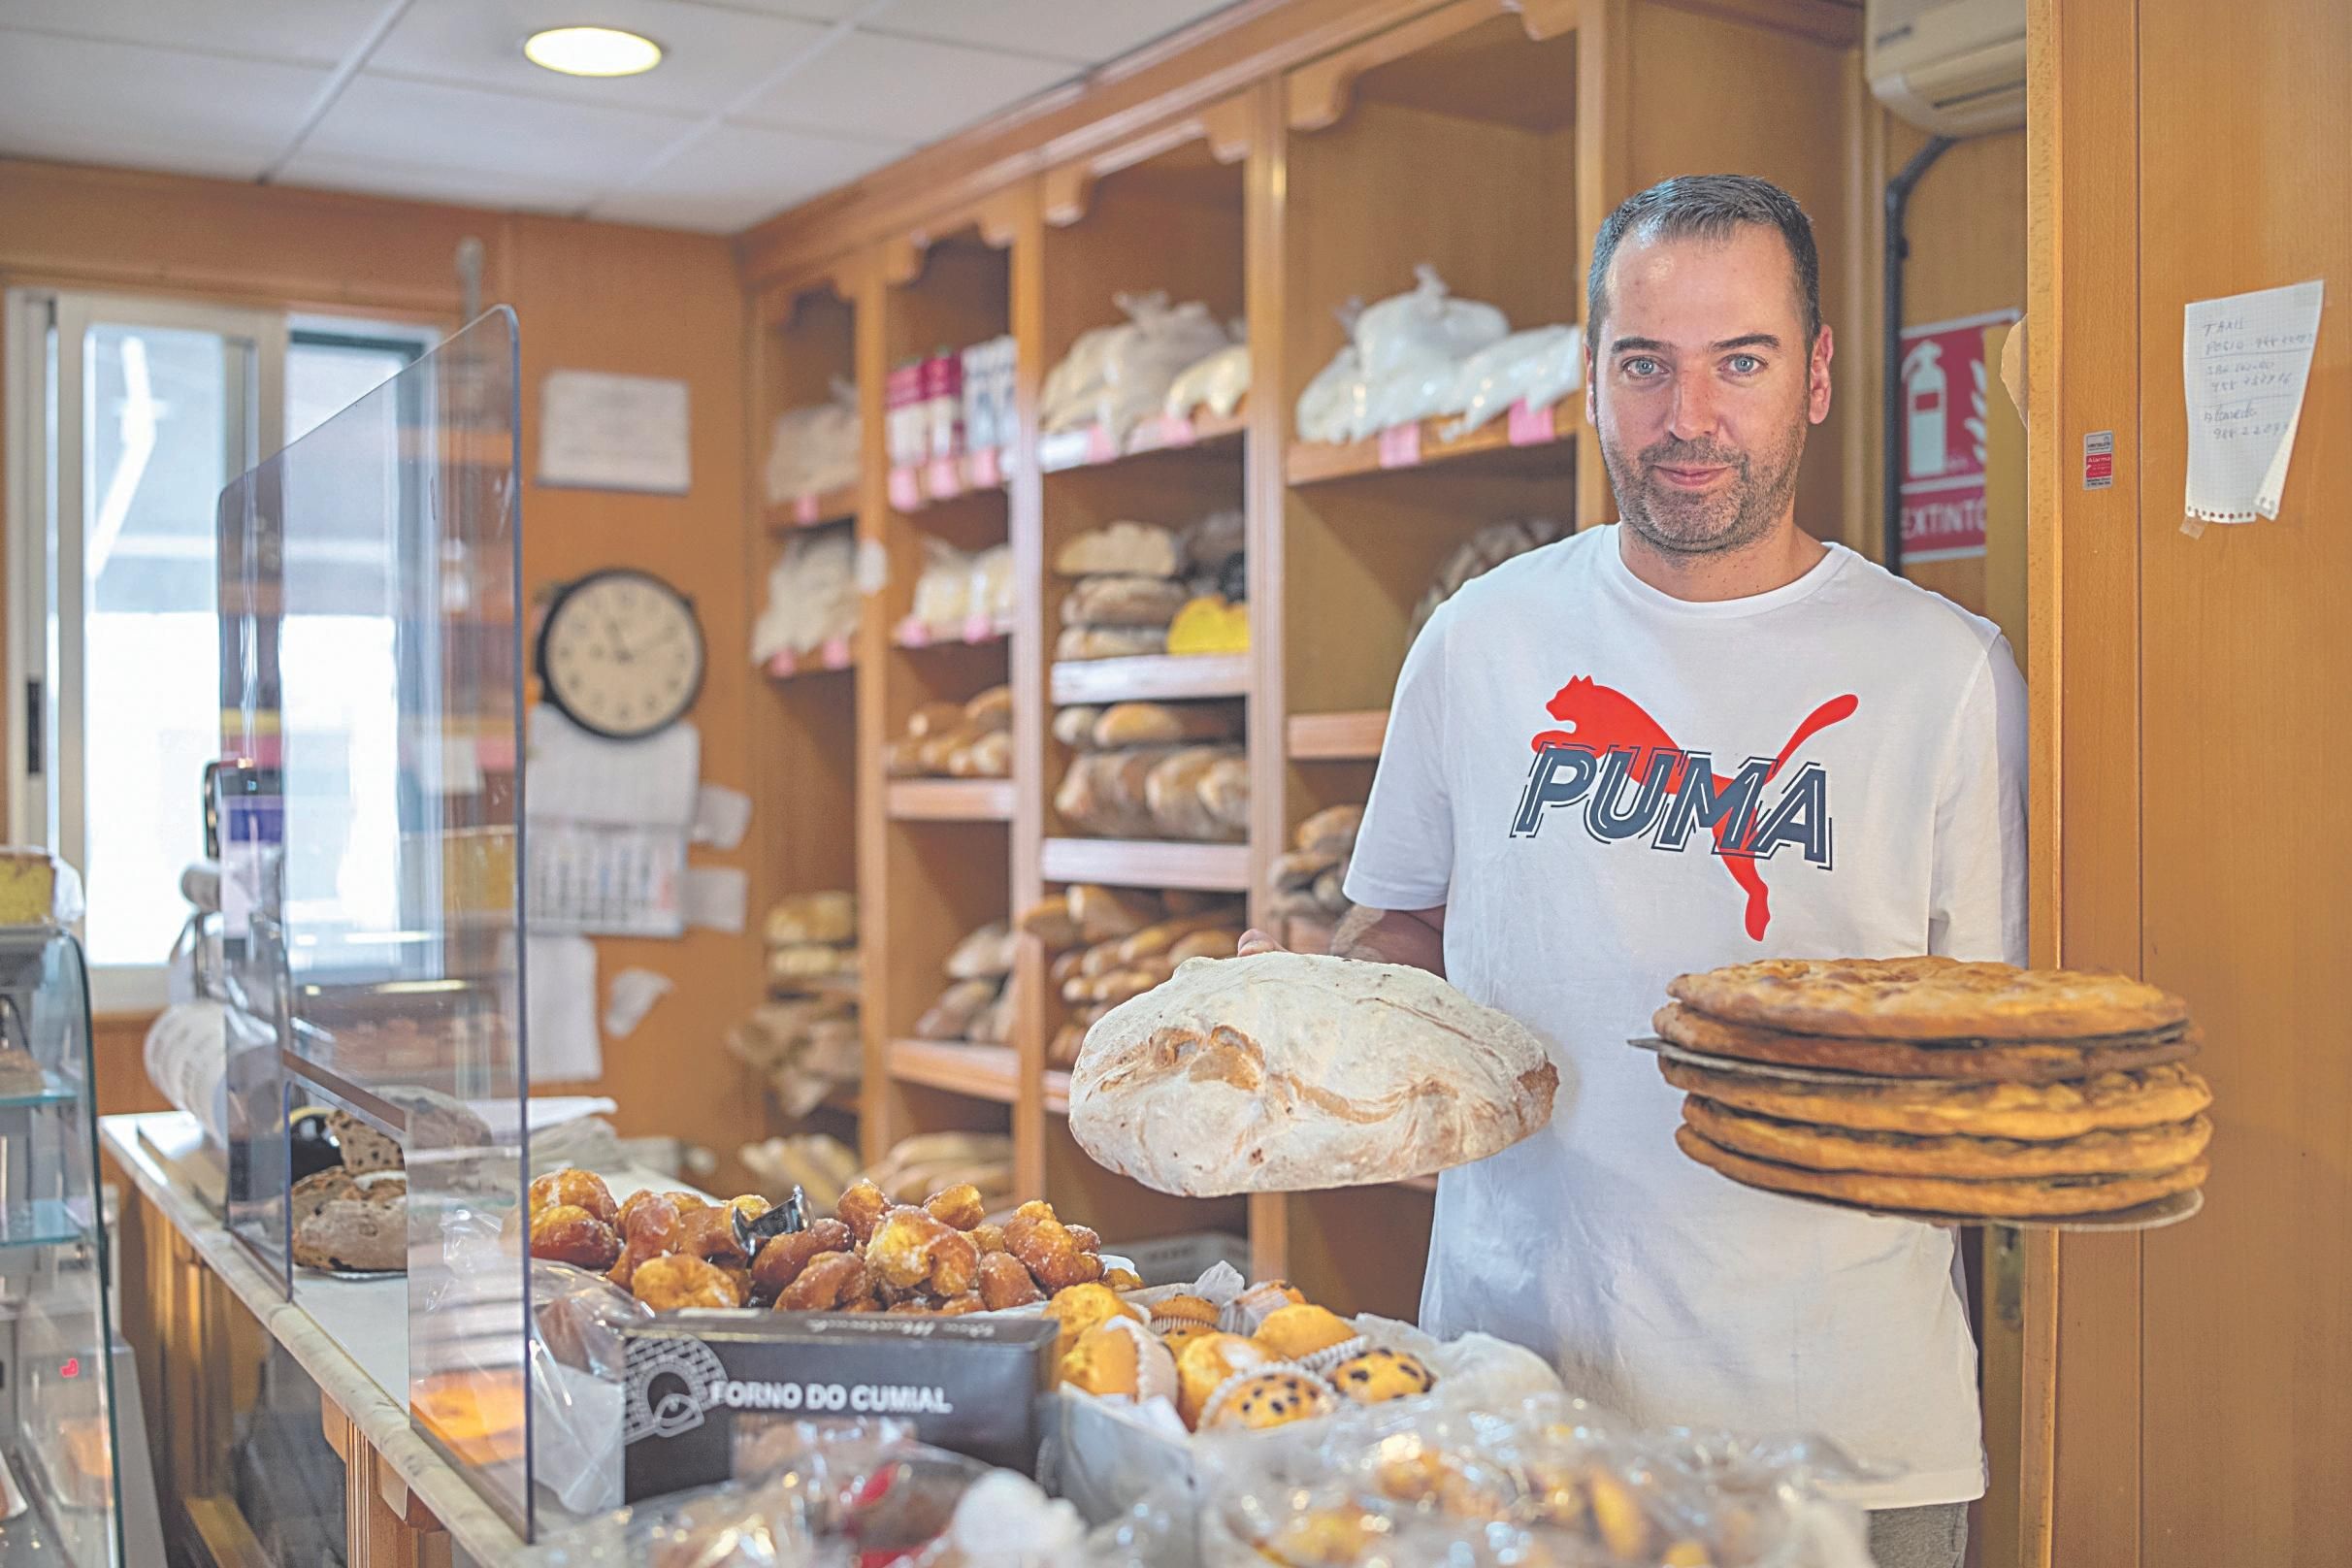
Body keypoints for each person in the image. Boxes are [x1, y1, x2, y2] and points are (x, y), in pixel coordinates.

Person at [1240, 175, 2023, 1568]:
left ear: (1817, 376)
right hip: (1514, 1405)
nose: (1689, 417)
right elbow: (1403, 928)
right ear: (1593, 376)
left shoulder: (1943, 675)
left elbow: (1989, 1047)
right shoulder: (1481, 640)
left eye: (1742, 361)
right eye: (1645, 363)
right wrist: (1312, 1012)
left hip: (1846, 1435)